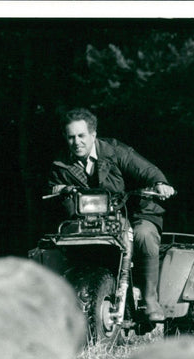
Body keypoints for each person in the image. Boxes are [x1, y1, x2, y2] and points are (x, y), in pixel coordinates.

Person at [48, 107, 176, 322]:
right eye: (71, 137)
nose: (76, 142)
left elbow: (146, 170)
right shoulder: (60, 164)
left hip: (133, 209)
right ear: (65, 137)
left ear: (93, 135)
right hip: (90, 218)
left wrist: (160, 184)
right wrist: (62, 192)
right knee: (63, 242)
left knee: (144, 235)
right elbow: (54, 191)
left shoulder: (114, 152)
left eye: (81, 136)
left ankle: (150, 298)